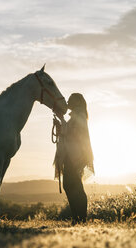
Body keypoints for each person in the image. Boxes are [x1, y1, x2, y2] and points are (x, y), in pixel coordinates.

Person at [53, 93, 94, 224]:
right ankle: (78, 217)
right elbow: (68, 132)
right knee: (71, 185)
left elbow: (73, 134)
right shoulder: (78, 116)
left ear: (76, 102)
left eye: (70, 99)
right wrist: (60, 124)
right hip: (72, 155)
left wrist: (62, 121)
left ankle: (80, 218)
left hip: (75, 155)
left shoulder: (79, 116)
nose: (68, 101)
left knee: (73, 185)